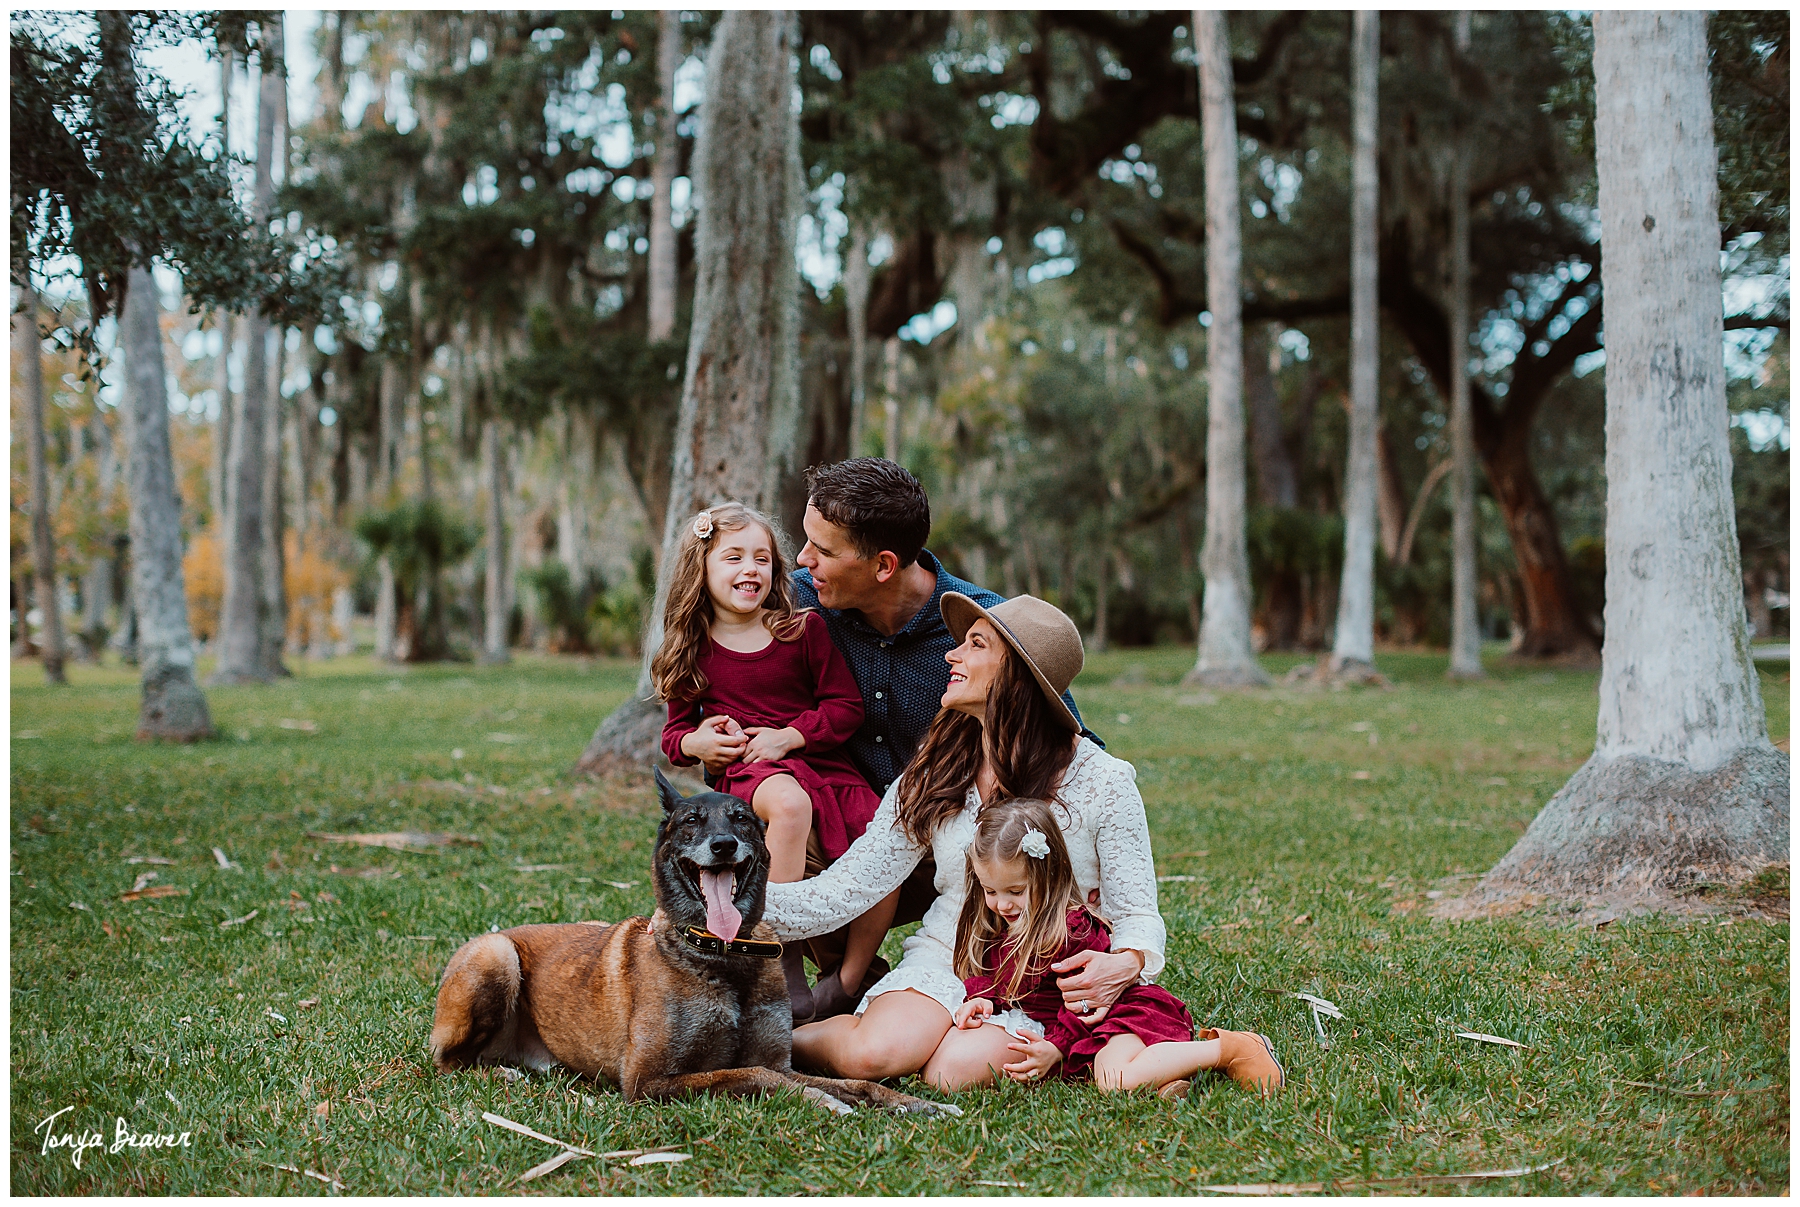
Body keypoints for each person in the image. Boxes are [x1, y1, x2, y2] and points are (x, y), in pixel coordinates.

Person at [762, 590, 1164, 1087]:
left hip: (1043, 975)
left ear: (1016, 674)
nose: (951, 655)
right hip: (949, 954)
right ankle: (766, 1042)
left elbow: (1138, 912)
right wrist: (729, 910)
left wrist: (1126, 963)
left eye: (975, 644)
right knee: (876, 1055)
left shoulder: (1104, 781)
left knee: (951, 1073)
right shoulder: (935, 772)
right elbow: (846, 889)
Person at [654, 502, 895, 1024]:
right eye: (734, 557)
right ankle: (776, 952)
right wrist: (699, 744)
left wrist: (790, 735)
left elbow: (845, 707)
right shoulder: (691, 646)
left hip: (819, 762)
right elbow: (674, 735)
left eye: (762, 559)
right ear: (702, 569)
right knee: (788, 804)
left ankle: (851, 977)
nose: (751, 570)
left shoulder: (800, 630)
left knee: (887, 840)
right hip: (750, 772)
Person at [950, 797, 1284, 1097]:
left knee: (1114, 1078)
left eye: (1016, 890)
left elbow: (1086, 1000)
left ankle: (1231, 1049)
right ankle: (1169, 1077)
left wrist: (1056, 1046)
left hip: (1120, 1015)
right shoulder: (1003, 923)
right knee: (1118, 1072)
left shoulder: (1072, 930)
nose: (1002, 904)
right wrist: (984, 999)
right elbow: (994, 970)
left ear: (1048, 876)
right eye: (990, 891)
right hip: (1094, 1034)